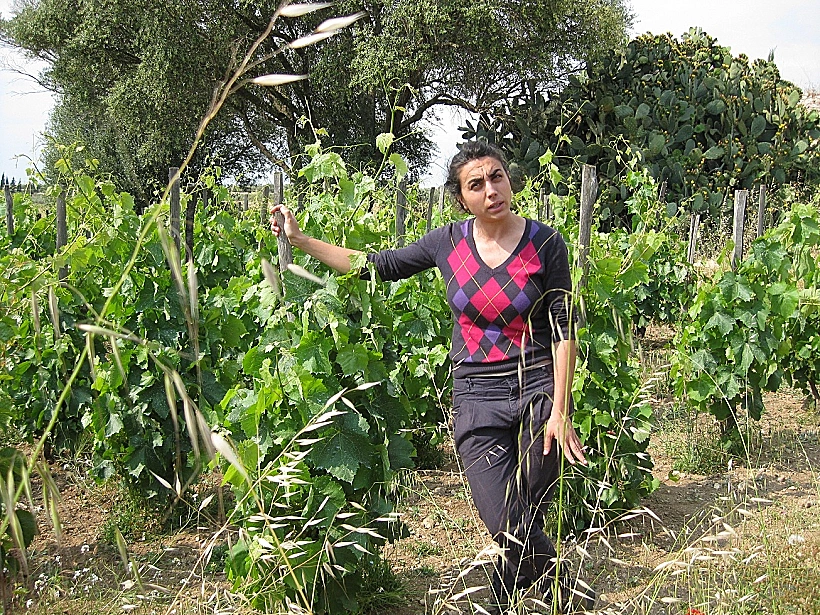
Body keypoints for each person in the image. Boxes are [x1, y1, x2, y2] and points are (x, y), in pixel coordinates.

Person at [271, 141, 593, 614]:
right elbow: (374, 266)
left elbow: (565, 328)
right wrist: (300, 240)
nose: (491, 190)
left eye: (497, 177)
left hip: (538, 389)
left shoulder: (545, 243)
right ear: (461, 197)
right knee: (509, 523)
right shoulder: (449, 243)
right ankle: (570, 594)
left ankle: (503, 601)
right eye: (476, 184)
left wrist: (560, 412)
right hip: (476, 395)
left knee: (524, 518)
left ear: (509, 180)